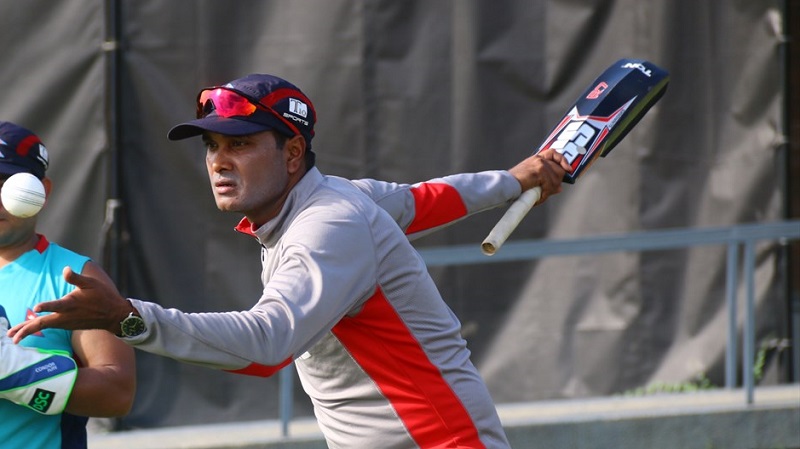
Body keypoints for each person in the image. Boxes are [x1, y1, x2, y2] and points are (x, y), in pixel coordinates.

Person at [9, 74, 571, 448]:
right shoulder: (337, 199)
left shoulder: (328, 224)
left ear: (293, 152)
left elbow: (267, 343)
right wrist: (513, 180)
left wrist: (128, 318)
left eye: (240, 144)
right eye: (212, 146)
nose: (219, 162)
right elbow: (421, 200)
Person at [0, 121, 136, 449]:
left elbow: (118, 393)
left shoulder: (75, 277)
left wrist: (17, 372)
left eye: (7, 184)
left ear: (43, 191)